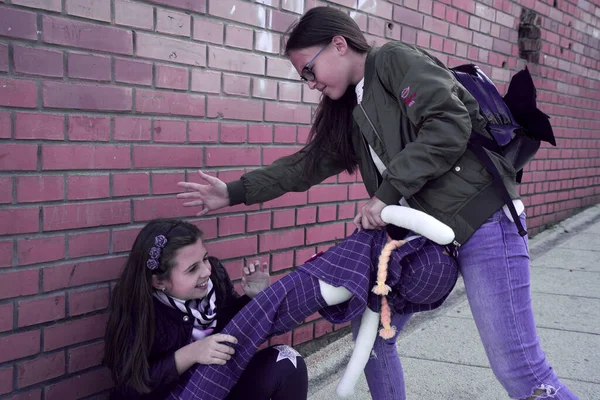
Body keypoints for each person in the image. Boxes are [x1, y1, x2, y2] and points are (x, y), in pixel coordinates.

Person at [175, 6, 577, 400]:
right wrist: (234, 192)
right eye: (303, 78)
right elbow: (304, 167)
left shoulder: (391, 60)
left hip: (486, 221)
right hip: (431, 237)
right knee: (373, 340)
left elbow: (449, 124)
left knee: (522, 372)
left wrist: (384, 196)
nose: (309, 83)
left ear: (338, 44)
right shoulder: (352, 112)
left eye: (308, 71)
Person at [103, 219, 309, 400]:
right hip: (181, 395)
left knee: (287, 360)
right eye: (192, 269)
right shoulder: (139, 311)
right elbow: (129, 390)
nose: (206, 271)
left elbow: (232, 327)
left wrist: (254, 299)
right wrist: (190, 354)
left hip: (222, 385)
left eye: (205, 258)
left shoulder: (214, 279)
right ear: (158, 282)